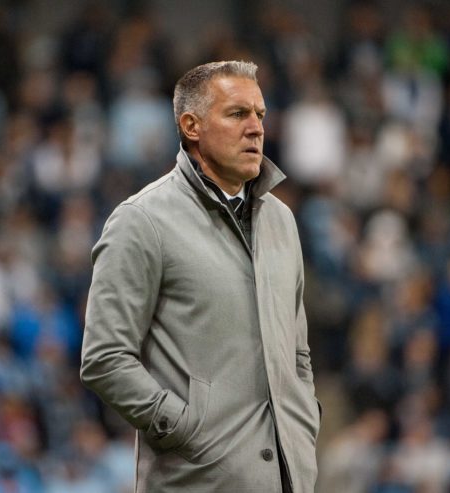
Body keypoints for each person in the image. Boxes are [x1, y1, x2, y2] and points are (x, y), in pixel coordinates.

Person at [80, 60, 320, 492]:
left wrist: (304, 425)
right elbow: (105, 358)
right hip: (197, 480)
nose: (256, 128)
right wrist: (188, 431)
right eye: (237, 114)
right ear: (192, 126)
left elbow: (297, 353)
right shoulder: (142, 221)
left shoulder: (282, 220)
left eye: (260, 115)